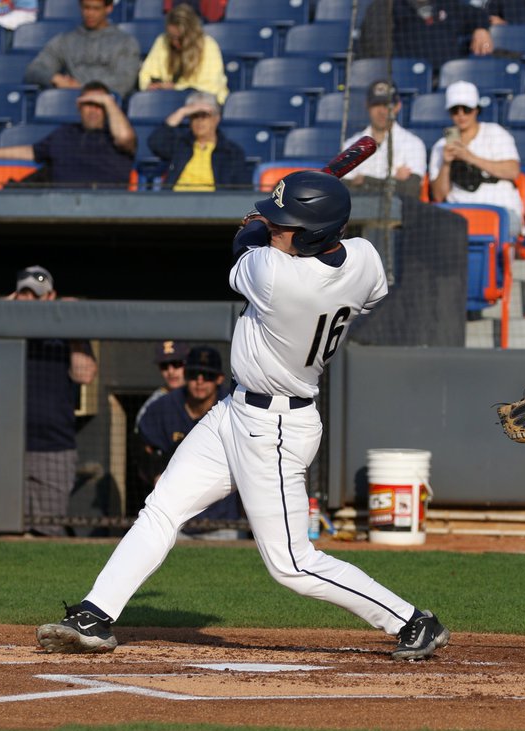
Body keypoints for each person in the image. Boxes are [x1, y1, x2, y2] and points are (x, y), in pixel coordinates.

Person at [36, 170, 450, 661]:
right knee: (164, 506)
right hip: (234, 411)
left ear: (315, 233)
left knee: (292, 564)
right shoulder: (365, 258)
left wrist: (255, 224)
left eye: (286, 224)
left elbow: (244, 243)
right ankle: (95, 613)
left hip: (274, 428)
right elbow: (364, 287)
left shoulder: (276, 276)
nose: (275, 228)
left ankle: (411, 619)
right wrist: (279, 222)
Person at [0, 266, 97, 538]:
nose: (29, 301)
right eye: (24, 294)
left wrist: (73, 325)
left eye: (36, 295)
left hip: (53, 446)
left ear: (50, 297)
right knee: (4, 530)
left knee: (48, 531)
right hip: (1, 445)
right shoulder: (1, 327)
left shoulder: (65, 333)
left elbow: (85, 374)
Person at [136, 344, 241, 537]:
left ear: (219, 378)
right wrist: (156, 471)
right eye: (194, 374)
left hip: (222, 520)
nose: (200, 381)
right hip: (174, 520)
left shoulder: (235, 408)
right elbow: (144, 452)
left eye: (207, 375)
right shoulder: (162, 408)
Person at [0, 81, 136, 189]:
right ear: (78, 107)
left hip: (106, 211)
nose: (94, 110)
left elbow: (125, 138)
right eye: (88, 104)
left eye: (100, 105)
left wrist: (108, 101)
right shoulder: (65, 133)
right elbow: (32, 152)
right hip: (58, 210)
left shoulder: (115, 137)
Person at [429, 80, 524, 240]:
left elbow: (513, 171)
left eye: (466, 109)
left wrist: (470, 157)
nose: (461, 115)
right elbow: (439, 196)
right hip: (460, 213)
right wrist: (446, 164)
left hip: (501, 210)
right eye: (455, 110)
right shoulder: (441, 146)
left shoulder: (495, 133)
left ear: (476, 110)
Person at [24, 0, 142, 98]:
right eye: (86, 8)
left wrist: (82, 88)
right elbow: (34, 70)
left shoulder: (125, 42)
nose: (90, 13)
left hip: (109, 106)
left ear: (109, 8)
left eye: (96, 9)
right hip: (71, 104)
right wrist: (55, 78)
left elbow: (124, 82)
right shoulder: (65, 40)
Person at [341, 79, 427, 199]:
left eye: (387, 105)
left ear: (397, 106)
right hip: (357, 215)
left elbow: (410, 190)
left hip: (397, 216)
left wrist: (365, 180)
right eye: (376, 105)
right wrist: (393, 182)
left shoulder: (413, 144)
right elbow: (340, 190)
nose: (382, 111)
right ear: (367, 106)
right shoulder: (351, 145)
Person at [147, 90, 250, 190]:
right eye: (194, 116)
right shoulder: (181, 145)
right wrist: (182, 112)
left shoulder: (231, 152)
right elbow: (155, 142)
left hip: (214, 204)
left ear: (216, 118)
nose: (199, 121)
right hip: (176, 202)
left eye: (204, 115)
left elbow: (242, 191)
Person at [358, 0, 493, 70]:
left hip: (446, 77)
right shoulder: (388, 6)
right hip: (406, 78)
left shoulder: (448, 4)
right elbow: (373, 44)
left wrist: (481, 29)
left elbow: (477, 13)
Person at [137, 4, 228, 104]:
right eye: (171, 37)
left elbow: (209, 88)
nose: (174, 42)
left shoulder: (208, 46)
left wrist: (175, 88)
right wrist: (150, 86)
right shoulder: (162, 41)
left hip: (202, 103)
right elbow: (146, 74)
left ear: (191, 34)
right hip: (166, 101)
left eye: (180, 39)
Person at [135, 339, 188, 429]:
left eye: (176, 364)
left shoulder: (203, 396)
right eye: (164, 366)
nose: (170, 371)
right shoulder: (153, 403)